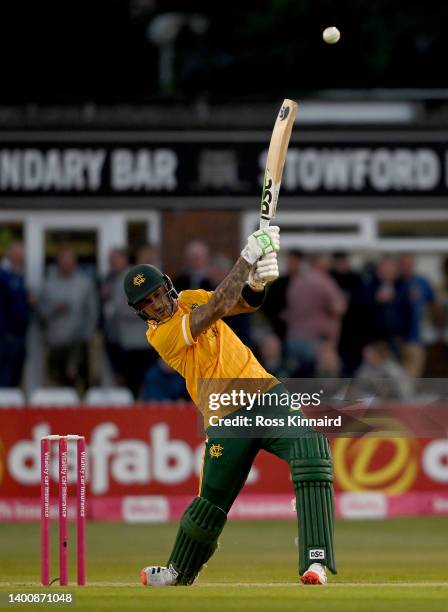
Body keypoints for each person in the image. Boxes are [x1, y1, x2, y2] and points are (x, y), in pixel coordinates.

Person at [124, 226, 336, 587]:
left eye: (158, 294)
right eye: (148, 303)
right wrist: (246, 257)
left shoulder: (190, 297)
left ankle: (315, 561)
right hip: (225, 415)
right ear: (141, 312)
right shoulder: (162, 335)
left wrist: (257, 280)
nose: (158, 304)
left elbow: (243, 303)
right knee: (209, 505)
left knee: (312, 452)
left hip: (267, 395)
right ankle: (178, 572)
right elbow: (216, 307)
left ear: (168, 287)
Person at [38, 248, 98, 392]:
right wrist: (53, 309)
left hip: (78, 343)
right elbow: (40, 313)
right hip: (56, 342)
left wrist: (87, 335)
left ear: (75, 262)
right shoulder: (48, 284)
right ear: (58, 263)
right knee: (56, 383)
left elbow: (92, 312)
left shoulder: (85, 283)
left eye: (70, 261)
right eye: (63, 261)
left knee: (80, 383)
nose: (67, 264)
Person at [285, 254, 346, 377]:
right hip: (316, 342)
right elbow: (339, 308)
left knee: (299, 378)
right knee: (317, 380)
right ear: (321, 263)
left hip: (294, 338)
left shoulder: (297, 281)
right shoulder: (324, 281)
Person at [396, 254, 438, 377]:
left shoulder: (422, 282)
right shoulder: (395, 283)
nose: (406, 267)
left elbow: (434, 305)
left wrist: (437, 328)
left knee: (412, 377)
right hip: (396, 339)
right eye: (403, 264)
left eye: (409, 264)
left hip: (416, 338)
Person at [0, 242, 32, 386]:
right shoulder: (3, 276)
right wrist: (5, 333)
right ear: (10, 255)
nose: (21, 259)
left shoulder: (18, 275)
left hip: (19, 334)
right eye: (19, 256)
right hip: (7, 336)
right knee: (5, 376)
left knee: (15, 377)